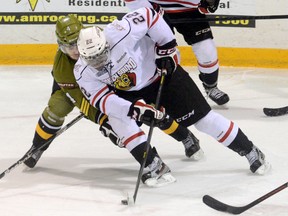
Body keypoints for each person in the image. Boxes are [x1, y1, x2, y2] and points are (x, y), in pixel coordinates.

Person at [73, 6, 270, 188]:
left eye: (100, 55)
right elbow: (103, 100)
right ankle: (153, 165)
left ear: (105, 44)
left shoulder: (119, 31)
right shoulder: (82, 71)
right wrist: (134, 110)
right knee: (119, 122)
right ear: (82, 55)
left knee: (204, 121)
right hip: (128, 93)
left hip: (161, 75)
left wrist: (166, 48)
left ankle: (250, 150)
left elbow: (149, 15)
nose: (98, 62)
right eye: (92, 59)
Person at [24, 15, 122, 169]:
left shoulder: (97, 39)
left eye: (76, 44)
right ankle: (37, 147)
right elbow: (80, 100)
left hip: (106, 80)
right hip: (73, 84)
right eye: (68, 47)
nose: (75, 51)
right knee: (57, 108)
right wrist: (103, 121)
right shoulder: (61, 68)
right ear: (60, 46)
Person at [124, 0, 230, 106]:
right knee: (166, 55)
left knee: (206, 50)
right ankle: (169, 91)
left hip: (189, 10)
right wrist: (152, 11)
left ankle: (211, 86)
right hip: (153, 10)